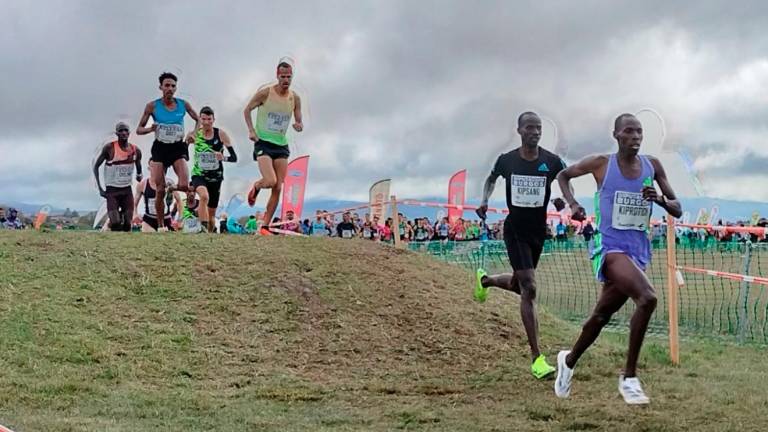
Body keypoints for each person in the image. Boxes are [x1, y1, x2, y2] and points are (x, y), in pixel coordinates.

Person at [553, 113, 682, 405]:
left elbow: (677, 208)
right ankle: (629, 377)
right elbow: (563, 175)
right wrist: (573, 203)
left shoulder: (653, 166)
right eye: (629, 132)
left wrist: (659, 199)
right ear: (616, 136)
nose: (635, 137)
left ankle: (568, 361)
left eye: (639, 132)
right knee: (647, 298)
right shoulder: (601, 164)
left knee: (601, 316)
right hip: (609, 248)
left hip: (637, 251)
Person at [474, 111, 567, 379]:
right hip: (514, 229)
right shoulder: (507, 160)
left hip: (538, 231)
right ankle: (537, 359)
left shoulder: (551, 161)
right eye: (529, 128)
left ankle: (486, 281)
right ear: (519, 131)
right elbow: (491, 179)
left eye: (538, 128)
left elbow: (565, 179)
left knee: (518, 284)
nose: (535, 132)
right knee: (530, 287)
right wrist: (484, 200)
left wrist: (560, 198)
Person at [244, 60, 304, 235]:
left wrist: (299, 124)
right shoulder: (266, 93)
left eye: (289, 77)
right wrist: (251, 130)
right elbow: (247, 110)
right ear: (277, 76)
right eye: (283, 76)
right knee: (270, 181)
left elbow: (298, 117)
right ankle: (256, 186)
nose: (286, 80)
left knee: (278, 187)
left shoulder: (295, 98)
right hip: (263, 142)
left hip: (281, 145)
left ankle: (264, 226)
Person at [136, 72, 199, 231]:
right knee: (160, 189)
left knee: (185, 184)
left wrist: (193, 133)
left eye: (173, 86)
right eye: (167, 85)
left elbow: (198, 120)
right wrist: (151, 128)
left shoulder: (183, 105)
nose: (170, 88)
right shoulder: (152, 106)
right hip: (160, 148)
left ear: (176, 88)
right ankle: (161, 225)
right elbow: (138, 129)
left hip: (177, 147)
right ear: (161, 87)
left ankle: (172, 189)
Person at [187, 106, 237, 233]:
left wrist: (223, 158)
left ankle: (210, 231)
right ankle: (202, 229)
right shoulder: (195, 134)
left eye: (209, 119)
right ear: (200, 119)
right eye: (203, 119)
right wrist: (187, 142)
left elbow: (234, 158)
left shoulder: (220, 134)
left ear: (213, 119)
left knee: (212, 216)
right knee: (204, 196)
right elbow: (184, 154)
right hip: (199, 175)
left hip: (216, 177)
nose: (206, 122)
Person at [92, 122, 142, 231]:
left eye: (125, 131)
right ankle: (115, 219)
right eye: (121, 131)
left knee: (128, 225)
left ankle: (123, 219)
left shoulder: (135, 150)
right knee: (115, 223)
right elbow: (96, 166)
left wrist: (139, 175)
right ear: (117, 133)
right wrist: (100, 188)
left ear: (129, 133)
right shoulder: (109, 148)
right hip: (112, 190)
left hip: (126, 189)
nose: (123, 133)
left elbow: (139, 165)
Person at [132, 162, 183, 233]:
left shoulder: (169, 183)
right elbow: (134, 203)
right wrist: (135, 214)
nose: (156, 169)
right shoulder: (143, 184)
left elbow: (179, 201)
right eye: (153, 167)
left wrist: (180, 219)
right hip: (149, 220)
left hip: (165, 219)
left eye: (158, 167)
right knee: (149, 237)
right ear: (149, 168)